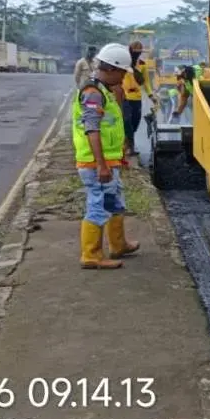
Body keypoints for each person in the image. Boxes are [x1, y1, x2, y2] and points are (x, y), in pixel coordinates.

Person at [72, 43, 140, 269]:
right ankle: (91, 256)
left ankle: (118, 245)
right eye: (122, 73)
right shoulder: (93, 94)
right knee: (98, 206)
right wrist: (101, 165)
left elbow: (112, 127)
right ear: (110, 69)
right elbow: (93, 130)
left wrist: (119, 157)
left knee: (114, 201)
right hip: (95, 164)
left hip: (109, 162)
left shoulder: (105, 91)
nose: (123, 78)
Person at [121, 41, 154, 160]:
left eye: (138, 53)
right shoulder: (123, 63)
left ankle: (128, 142)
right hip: (124, 97)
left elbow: (145, 82)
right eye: (134, 52)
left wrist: (151, 95)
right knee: (127, 121)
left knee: (135, 122)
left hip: (137, 97)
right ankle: (130, 146)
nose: (136, 54)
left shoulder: (142, 64)